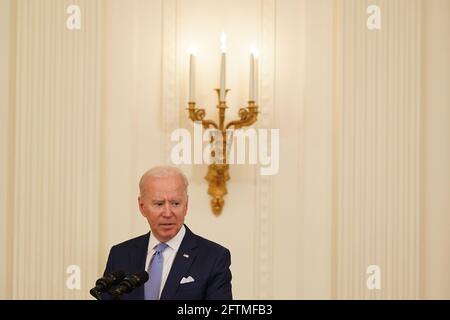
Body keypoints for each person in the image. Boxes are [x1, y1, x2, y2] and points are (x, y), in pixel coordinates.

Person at [102, 166, 233, 300]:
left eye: (175, 203)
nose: (168, 213)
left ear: (186, 205)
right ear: (142, 207)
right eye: (159, 204)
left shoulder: (214, 257)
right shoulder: (120, 255)